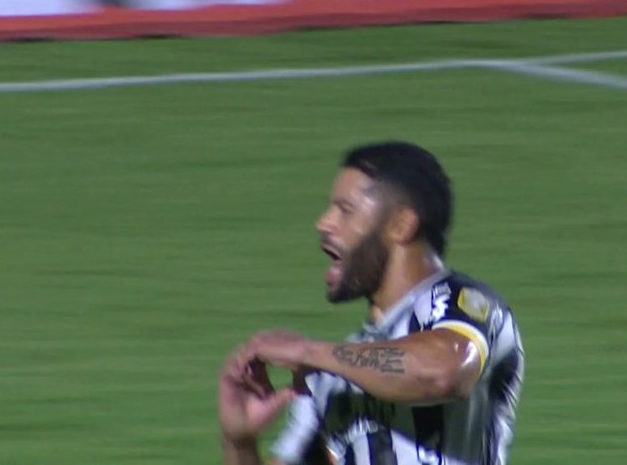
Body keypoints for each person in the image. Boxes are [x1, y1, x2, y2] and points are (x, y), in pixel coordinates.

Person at [218, 141, 525, 465]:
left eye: (345, 210)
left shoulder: (466, 303)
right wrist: (239, 441)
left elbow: (445, 372)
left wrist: (309, 352)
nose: (323, 223)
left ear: (401, 225)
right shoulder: (331, 374)